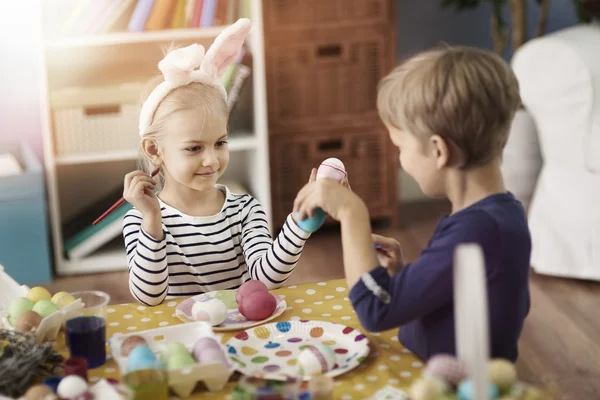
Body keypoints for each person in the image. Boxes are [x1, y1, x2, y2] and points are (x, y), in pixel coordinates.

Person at [293, 46, 531, 362]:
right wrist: (409, 279)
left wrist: (353, 213)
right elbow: (462, 298)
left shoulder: (477, 231)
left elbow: (376, 311)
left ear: (438, 151)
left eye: (400, 147)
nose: (399, 159)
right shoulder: (498, 215)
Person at [122, 19, 312, 306]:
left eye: (220, 143)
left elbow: (267, 280)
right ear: (154, 150)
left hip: (240, 335)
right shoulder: (139, 219)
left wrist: (301, 223)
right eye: (194, 147)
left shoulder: (246, 210)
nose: (211, 159)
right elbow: (149, 297)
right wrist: (152, 220)